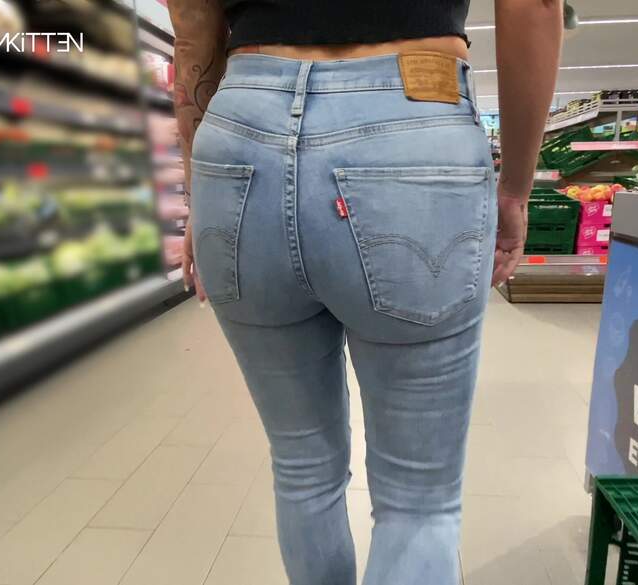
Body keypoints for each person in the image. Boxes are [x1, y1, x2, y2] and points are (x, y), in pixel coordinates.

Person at [168, 1, 562, 583]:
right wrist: (516, 189)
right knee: (418, 501)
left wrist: (197, 192)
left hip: (240, 131)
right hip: (411, 118)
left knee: (303, 469)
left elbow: (193, 25)